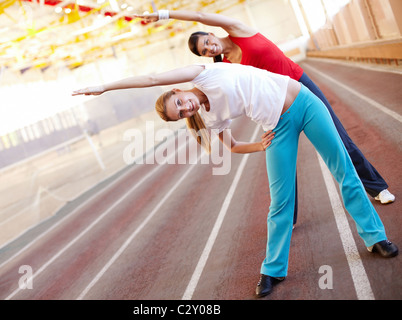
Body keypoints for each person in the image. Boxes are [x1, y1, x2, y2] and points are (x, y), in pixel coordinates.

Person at [72, 62, 398, 298]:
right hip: (278, 128)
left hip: (305, 104)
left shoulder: (202, 71)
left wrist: (106, 87)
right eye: (181, 114)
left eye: (180, 103)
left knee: (345, 172)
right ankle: (273, 271)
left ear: (178, 90)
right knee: (280, 201)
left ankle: (375, 238)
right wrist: (260, 144)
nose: (186, 108)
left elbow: (151, 75)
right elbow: (233, 145)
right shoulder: (211, 118)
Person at [136, 10, 396, 228]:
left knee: (340, 139)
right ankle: (289, 217)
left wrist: (164, 14)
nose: (208, 48)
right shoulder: (223, 66)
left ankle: (377, 188)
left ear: (211, 32)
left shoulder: (238, 31)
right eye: (204, 52)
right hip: (275, 106)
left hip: (299, 86)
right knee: (284, 162)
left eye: (206, 42)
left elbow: (200, 13)